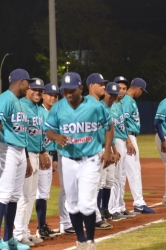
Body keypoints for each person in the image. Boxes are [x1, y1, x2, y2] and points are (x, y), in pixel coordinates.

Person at [44, 72, 113, 250]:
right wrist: (57, 137)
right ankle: (81, 239)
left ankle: (90, 241)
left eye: (72, 90)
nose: (68, 93)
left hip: (90, 159)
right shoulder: (58, 107)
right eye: (65, 90)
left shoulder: (94, 106)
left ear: (80, 88)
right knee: (72, 203)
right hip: (67, 160)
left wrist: (107, 150)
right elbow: (48, 130)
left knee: (87, 203)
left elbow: (109, 126)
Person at [0, 69, 33, 250]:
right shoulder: (5, 99)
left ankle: (9, 239)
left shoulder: (20, 103)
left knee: (14, 196)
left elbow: (22, 132)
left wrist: (26, 158)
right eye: (28, 83)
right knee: (4, 193)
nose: (29, 86)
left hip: (19, 151)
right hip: (6, 149)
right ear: (21, 82)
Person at [13, 78, 54, 247]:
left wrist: (43, 151)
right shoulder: (21, 106)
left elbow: (37, 134)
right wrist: (27, 157)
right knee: (23, 196)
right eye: (34, 89)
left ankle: (25, 232)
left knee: (30, 196)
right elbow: (21, 134)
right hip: (26, 154)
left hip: (36, 153)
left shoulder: (37, 109)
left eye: (40, 90)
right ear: (27, 90)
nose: (37, 92)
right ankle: (17, 234)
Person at [40, 83, 76, 236]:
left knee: (61, 188)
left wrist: (53, 157)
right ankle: (25, 230)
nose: (53, 97)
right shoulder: (38, 111)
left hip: (54, 154)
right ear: (43, 95)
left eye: (55, 95)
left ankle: (64, 223)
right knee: (29, 194)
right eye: (50, 94)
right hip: (37, 154)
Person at [120, 78, 156, 213]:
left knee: (123, 173)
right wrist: (128, 140)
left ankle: (120, 206)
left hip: (126, 137)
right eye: (142, 91)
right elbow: (122, 121)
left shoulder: (127, 100)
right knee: (133, 171)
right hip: (128, 136)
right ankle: (139, 203)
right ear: (138, 89)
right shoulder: (128, 101)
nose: (142, 94)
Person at [86, 73, 115, 228]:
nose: (104, 86)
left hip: (99, 149)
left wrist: (107, 150)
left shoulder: (99, 105)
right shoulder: (87, 104)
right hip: (89, 151)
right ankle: (93, 218)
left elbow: (110, 128)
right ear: (91, 86)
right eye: (100, 84)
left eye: (104, 84)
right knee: (92, 185)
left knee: (97, 184)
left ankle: (95, 216)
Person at [104, 81, 135, 221]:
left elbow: (122, 125)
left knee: (121, 177)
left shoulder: (120, 105)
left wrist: (128, 141)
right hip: (115, 141)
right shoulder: (110, 106)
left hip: (122, 140)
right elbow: (110, 129)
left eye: (122, 90)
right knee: (115, 177)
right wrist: (112, 147)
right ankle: (112, 208)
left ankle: (119, 206)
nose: (121, 92)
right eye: (118, 90)